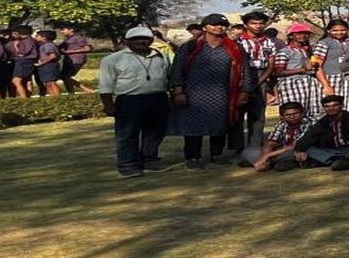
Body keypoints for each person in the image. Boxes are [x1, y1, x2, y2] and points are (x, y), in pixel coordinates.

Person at [167, 14, 249, 169]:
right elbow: (177, 69)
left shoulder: (234, 47)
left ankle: (216, 155)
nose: (219, 27)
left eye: (223, 25)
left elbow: (245, 70)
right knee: (192, 127)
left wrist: (245, 91)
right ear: (204, 27)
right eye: (214, 24)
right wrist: (178, 91)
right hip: (193, 92)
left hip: (222, 92)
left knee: (219, 125)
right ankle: (193, 157)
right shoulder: (190, 46)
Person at [99, 27, 174, 178]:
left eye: (145, 38)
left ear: (152, 40)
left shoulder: (160, 56)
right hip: (129, 100)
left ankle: (149, 160)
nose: (141, 41)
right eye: (135, 39)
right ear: (127, 41)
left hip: (157, 98)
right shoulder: (113, 59)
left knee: (155, 132)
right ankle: (128, 165)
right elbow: (106, 84)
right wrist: (108, 105)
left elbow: (168, 77)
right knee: (127, 134)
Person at [232, 12, 277, 154]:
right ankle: (237, 147)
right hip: (241, 76)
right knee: (238, 114)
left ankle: (255, 145)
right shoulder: (237, 42)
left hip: (261, 76)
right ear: (246, 24)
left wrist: (257, 83)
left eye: (261, 23)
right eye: (254, 23)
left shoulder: (269, 41)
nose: (258, 26)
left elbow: (270, 66)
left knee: (258, 114)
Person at [294, 95, 349, 171]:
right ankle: (337, 161)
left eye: (335, 105)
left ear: (342, 105)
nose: (331, 108)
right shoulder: (323, 121)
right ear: (323, 108)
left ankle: (336, 162)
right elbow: (308, 137)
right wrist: (299, 150)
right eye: (327, 106)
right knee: (310, 150)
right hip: (332, 151)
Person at [271, 24, 323, 119]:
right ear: (291, 36)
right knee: (294, 111)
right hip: (291, 83)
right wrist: (302, 69)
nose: (303, 36)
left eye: (306, 34)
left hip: (309, 83)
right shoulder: (284, 52)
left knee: (313, 111)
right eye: (299, 34)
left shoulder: (307, 50)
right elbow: (278, 72)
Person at [244, 102, 309, 172]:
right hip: (280, 151)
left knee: (291, 154)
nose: (292, 117)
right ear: (282, 116)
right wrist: (263, 158)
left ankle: (271, 162)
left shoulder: (308, 123)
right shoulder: (282, 124)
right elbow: (270, 142)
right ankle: (268, 163)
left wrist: (267, 156)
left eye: (295, 114)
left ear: (302, 113)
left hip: (299, 150)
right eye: (288, 115)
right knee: (247, 152)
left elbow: (296, 145)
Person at [57, 24, 91, 95]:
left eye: (63, 29)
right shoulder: (67, 39)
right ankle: (71, 93)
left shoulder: (78, 38)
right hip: (68, 60)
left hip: (76, 60)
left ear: (71, 29)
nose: (62, 31)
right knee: (64, 77)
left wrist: (70, 52)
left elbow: (87, 48)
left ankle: (85, 89)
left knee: (65, 77)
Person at [32, 30, 61, 97]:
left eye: (37, 36)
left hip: (49, 66)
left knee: (51, 82)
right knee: (47, 83)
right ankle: (52, 96)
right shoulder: (43, 45)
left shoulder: (48, 45)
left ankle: (57, 97)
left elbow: (52, 56)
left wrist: (41, 63)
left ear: (44, 37)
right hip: (45, 66)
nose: (36, 38)